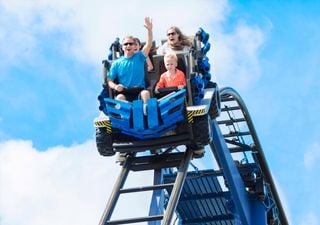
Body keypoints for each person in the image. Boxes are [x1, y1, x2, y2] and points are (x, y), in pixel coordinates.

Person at [107, 17, 153, 106]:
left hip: (139, 90)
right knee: (119, 98)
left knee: (145, 94)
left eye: (131, 44)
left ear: (133, 46)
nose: (128, 45)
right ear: (122, 47)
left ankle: (147, 114)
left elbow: (149, 44)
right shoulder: (117, 63)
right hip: (125, 91)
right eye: (126, 44)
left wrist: (149, 30)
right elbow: (109, 80)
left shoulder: (139, 56)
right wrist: (115, 86)